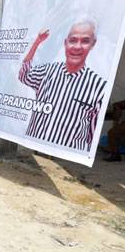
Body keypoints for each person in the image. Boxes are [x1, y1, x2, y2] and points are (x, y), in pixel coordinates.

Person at [19, 19, 106, 152]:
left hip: (68, 157)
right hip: (36, 147)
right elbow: (24, 76)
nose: (77, 46)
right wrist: (37, 42)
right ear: (65, 43)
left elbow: (92, 131)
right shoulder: (46, 71)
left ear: (93, 45)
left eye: (85, 41)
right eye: (73, 40)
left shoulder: (99, 87)